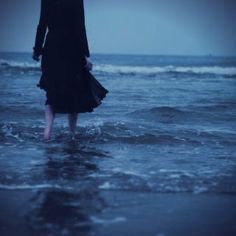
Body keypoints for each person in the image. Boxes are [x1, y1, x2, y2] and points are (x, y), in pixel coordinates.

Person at [32, 0, 109, 141]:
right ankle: (72, 134)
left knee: (51, 91)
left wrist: (37, 50)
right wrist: (85, 55)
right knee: (73, 90)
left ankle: (47, 133)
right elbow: (80, 27)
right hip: (71, 48)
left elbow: (41, 25)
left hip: (51, 48)